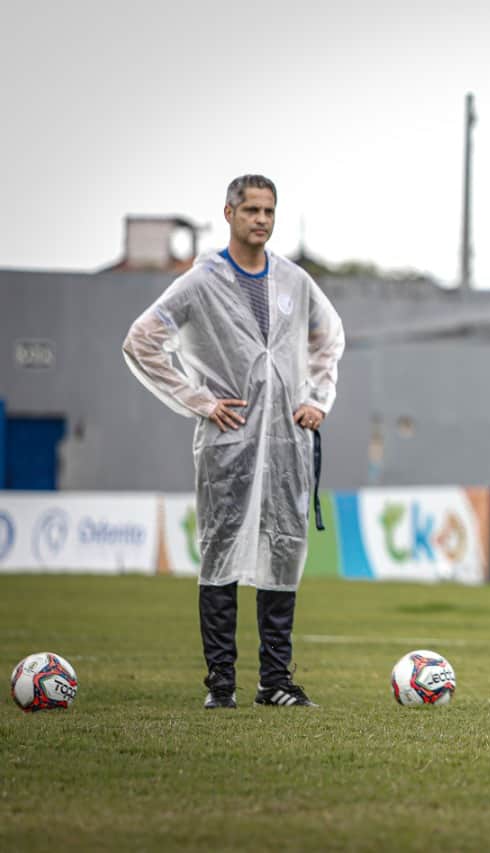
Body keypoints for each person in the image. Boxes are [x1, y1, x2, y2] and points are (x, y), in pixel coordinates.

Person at [123, 175, 345, 709]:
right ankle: (220, 684)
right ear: (228, 214)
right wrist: (199, 400)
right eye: (251, 210)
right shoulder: (202, 282)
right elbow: (142, 340)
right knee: (220, 552)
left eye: (269, 211)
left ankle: (276, 683)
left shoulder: (294, 280)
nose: (262, 220)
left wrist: (317, 398)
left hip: (289, 442)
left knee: (285, 552)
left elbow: (328, 338)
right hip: (229, 442)